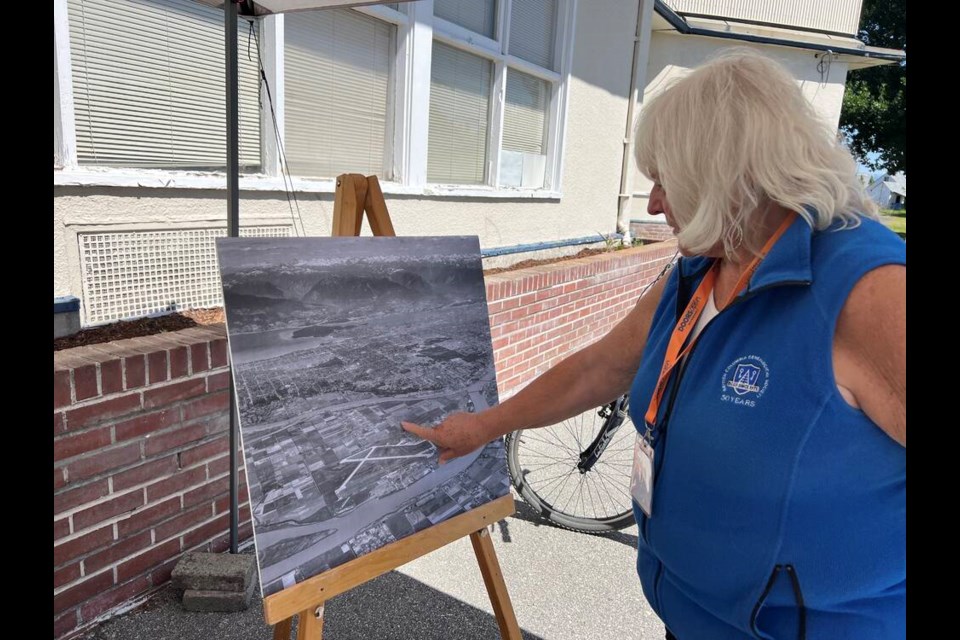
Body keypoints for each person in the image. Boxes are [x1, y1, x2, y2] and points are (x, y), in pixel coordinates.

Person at [402, 47, 905, 639]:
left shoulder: (869, 290)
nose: (653, 203)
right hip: (687, 617)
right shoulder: (703, 267)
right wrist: (483, 427)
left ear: (725, 172)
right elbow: (600, 369)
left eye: (667, 179)